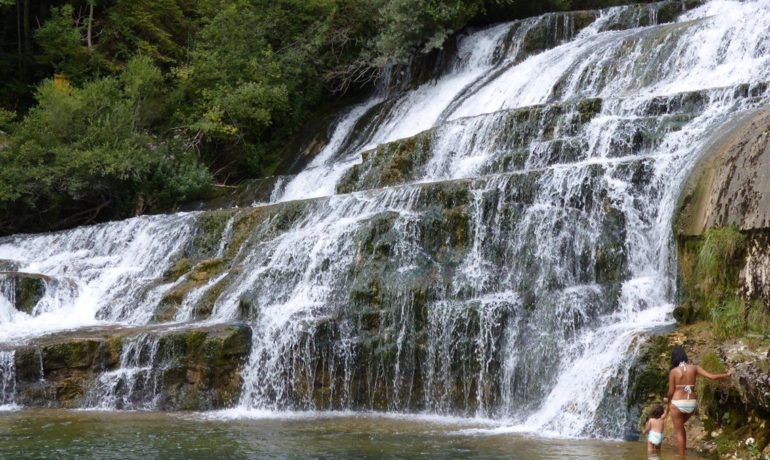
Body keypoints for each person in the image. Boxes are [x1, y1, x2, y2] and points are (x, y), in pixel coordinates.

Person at [667, 346, 732, 458]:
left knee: (679, 432)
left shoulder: (673, 371)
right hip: (691, 403)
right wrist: (727, 374)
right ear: (684, 356)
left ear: (674, 358)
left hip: (677, 403)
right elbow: (712, 377)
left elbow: (671, 391)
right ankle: (684, 450)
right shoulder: (694, 368)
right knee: (681, 427)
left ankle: (682, 457)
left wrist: (667, 401)